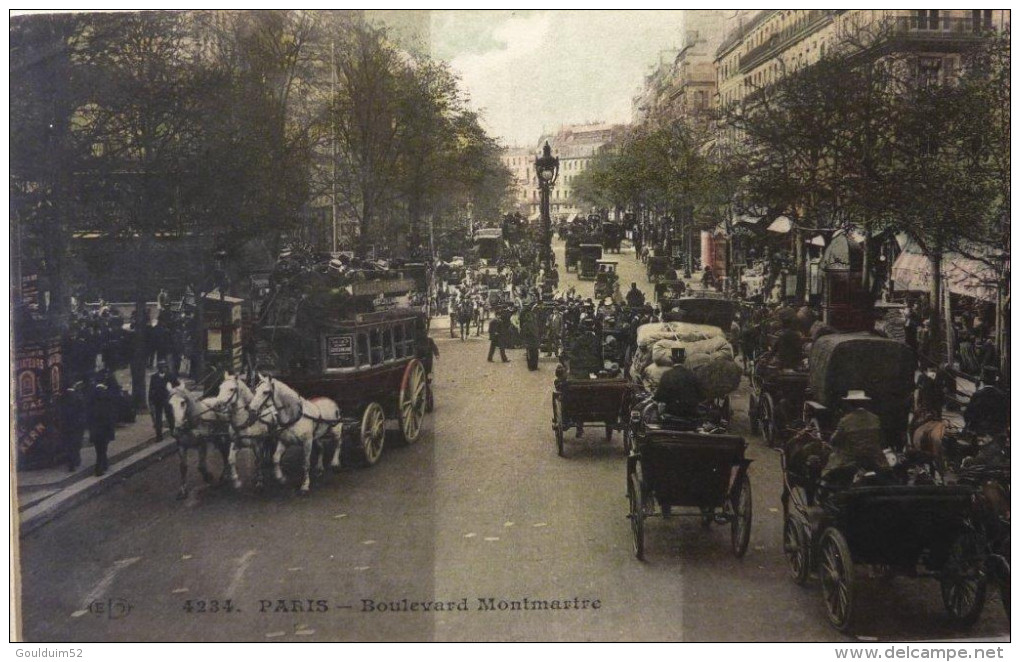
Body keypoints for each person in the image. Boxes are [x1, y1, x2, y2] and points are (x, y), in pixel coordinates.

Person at [654, 348, 704, 419]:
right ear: (684, 360)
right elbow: (701, 396)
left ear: (672, 360)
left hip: (671, 416)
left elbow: (660, 397)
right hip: (689, 417)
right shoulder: (692, 375)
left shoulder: (667, 375)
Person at [87, 371, 117, 476]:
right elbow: (110, 412)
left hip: (95, 427)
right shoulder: (107, 394)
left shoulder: (91, 393)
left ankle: (104, 464)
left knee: (98, 448)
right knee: (103, 448)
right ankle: (99, 468)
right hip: (105, 426)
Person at [59, 382, 87, 472]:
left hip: (66, 424)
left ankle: (70, 461)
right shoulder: (78, 396)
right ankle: (76, 459)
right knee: (76, 442)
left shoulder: (61, 397)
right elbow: (82, 410)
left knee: (68, 443)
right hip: (77, 425)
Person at [148, 360, 179, 442]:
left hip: (167, 399)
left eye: (164, 367)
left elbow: (177, 386)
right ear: (158, 368)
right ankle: (159, 435)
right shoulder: (154, 377)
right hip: (157, 400)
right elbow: (151, 389)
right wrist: (150, 400)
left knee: (170, 416)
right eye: (161, 367)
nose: (163, 369)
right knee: (158, 418)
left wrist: (174, 393)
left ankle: (173, 431)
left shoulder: (171, 376)